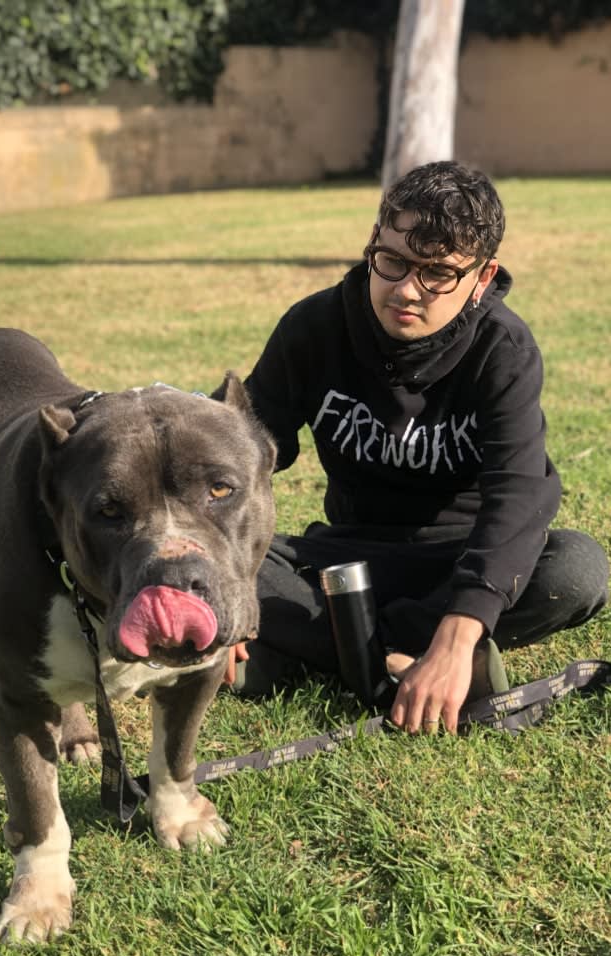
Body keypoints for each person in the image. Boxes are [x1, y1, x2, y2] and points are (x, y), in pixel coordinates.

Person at [228, 160, 608, 734]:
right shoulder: (314, 327)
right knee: (236, 568)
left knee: (577, 569)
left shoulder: (502, 350)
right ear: (371, 246)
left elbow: (519, 494)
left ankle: (343, 655)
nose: (407, 289)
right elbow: (237, 450)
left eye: (438, 274)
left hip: (458, 561)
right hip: (345, 561)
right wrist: (223, 588)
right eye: (394, 261)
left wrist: (459, 629)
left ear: (482, 278)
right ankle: (397, 663)